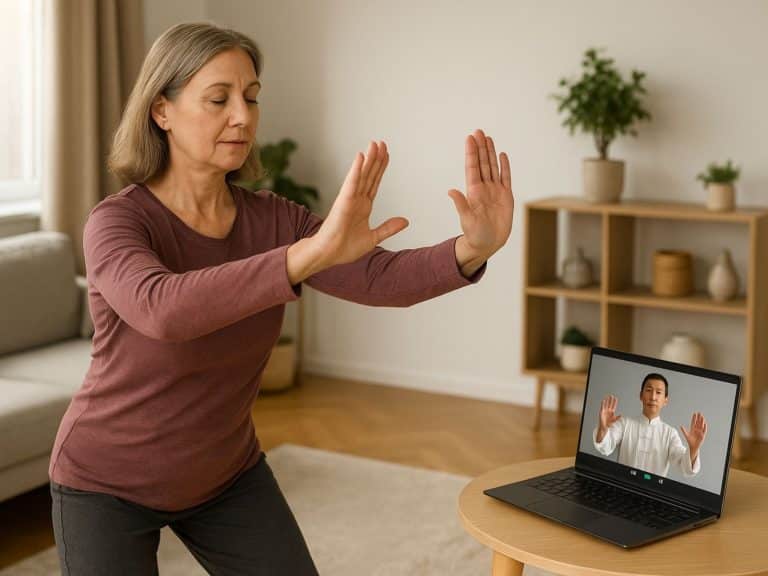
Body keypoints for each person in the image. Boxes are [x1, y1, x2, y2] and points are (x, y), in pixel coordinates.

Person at [47, 22, 514, 576]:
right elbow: (162, 309)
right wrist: (307, 256)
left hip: (222, 475)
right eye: (218, 98)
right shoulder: (117, 221)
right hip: (106, 481)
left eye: (250, 98)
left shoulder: (273, 219)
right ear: (161, 111)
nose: (242, 116)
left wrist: (474, 245)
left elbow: (380, 278)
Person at [593, 373, 708, 478]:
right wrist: (603, 429)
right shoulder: (624, 423)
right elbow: (604, 447)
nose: (653, 397)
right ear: (641, 395)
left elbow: (684, 467)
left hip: (654, 494)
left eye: (658, 392)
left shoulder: (670, 433)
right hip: (624, 487)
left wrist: (693, 449)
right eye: (648, 390)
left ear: (665, 400)